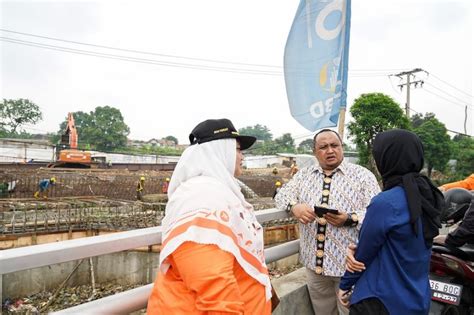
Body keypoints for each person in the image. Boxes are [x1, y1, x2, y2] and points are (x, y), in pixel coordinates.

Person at [147, 118, 272, 314]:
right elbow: (213, 286)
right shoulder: (201, 198)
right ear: (219, 151)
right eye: (238, 149)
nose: (242, 157)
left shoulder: (217, 193)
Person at [338, 129, 444, 314]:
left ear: (386, 159)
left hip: (380, 300)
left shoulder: (385, 203)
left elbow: (363, 254)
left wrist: (345, 285)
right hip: (417, 298)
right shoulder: (428, 195)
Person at [275, 129, 380, 315]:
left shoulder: (363, 176)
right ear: (315, 152)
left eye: (334, 145)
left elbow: (377, 214)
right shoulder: (303, 175)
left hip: (349, 267)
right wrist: (295, 206)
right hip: (315, 268)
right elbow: (281, 195)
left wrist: (349, 219)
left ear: (342, 148)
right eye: (323, 147)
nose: (330, 151)